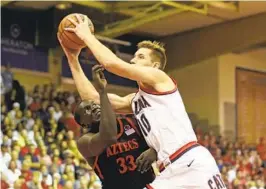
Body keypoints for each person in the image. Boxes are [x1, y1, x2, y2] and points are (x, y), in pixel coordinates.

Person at [58, 15, 225, 188]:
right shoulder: (135, 100)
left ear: (154, 66)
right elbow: (94, 100)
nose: (133, 60)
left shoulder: (160, 79)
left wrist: (87, 36)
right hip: (170, 170)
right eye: (134, 57)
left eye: (140, 57)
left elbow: (111, 63)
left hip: (188, 160)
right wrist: (72, 59)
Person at [74, 65, 156, 189]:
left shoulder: (130, 121)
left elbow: (160, 141)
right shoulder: (84, 142)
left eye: (94, 104)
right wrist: (102, 91)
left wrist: (155, 151)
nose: (94, 107)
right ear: (84, 124)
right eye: (87, 109)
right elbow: (109, 136)